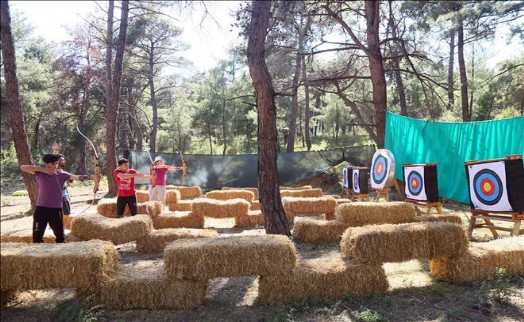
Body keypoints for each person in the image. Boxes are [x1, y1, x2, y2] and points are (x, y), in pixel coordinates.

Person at [20, 153, 100, 243]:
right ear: (46, 164)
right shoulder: (40, 173)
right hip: (41, 209)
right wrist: (44, 170)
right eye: (53, 164)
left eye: (56, 163)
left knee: (60, 236)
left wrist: (92, 177)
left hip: (56, 209)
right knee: (37, 236)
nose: (55, 166)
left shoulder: (62, 174)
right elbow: (23, 167)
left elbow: (77, 177)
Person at [57, 154, 73, 227]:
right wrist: (68, 185)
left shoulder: (63, 172)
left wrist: (69, 184)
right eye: (62, 160)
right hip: (57, 197)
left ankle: (62, 231)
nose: (64, 161)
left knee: (66, 214)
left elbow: (64, 187)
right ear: (57, 161)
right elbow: (59, 188)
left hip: (64, 196)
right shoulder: (54, 172)